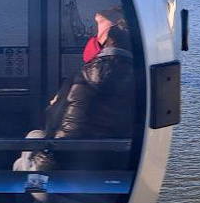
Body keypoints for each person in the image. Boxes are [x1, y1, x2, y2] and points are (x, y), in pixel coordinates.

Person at [30, 23, 136, 172]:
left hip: (65, 160)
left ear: (108, 43)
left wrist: (54, 105)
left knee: (33, 138)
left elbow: (52, 120)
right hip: (117, 164)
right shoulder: (141, 80)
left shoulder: (82, 74)